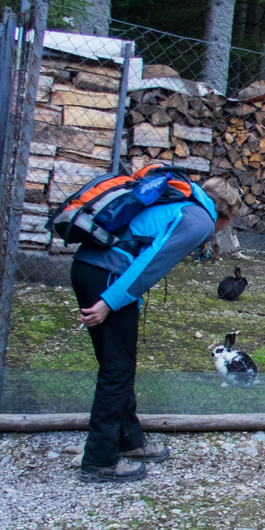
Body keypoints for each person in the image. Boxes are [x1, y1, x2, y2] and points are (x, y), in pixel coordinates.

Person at [71, 174, 243, 483]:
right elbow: (151, 262)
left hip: (89, 266)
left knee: (118, 365)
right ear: (224, 216)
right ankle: (99, 460)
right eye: (227, 224)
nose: (222, 231)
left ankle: (129, 440)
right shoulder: (200, 220)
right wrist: (110, 302)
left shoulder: (183, 204)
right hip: (108, 275)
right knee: (116, 370)